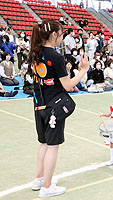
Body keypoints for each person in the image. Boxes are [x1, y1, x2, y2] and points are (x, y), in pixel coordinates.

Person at [29, 19, 90, 198]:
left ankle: (39, 179)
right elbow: (68, 85)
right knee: (53, 146)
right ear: (54, 35)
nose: (62, 37)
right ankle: (47, 187)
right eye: (62, 34)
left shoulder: (35, 52)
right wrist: (83, 70)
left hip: (38, 105)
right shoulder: (55, 56)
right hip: (53, 106)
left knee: (44, 143)